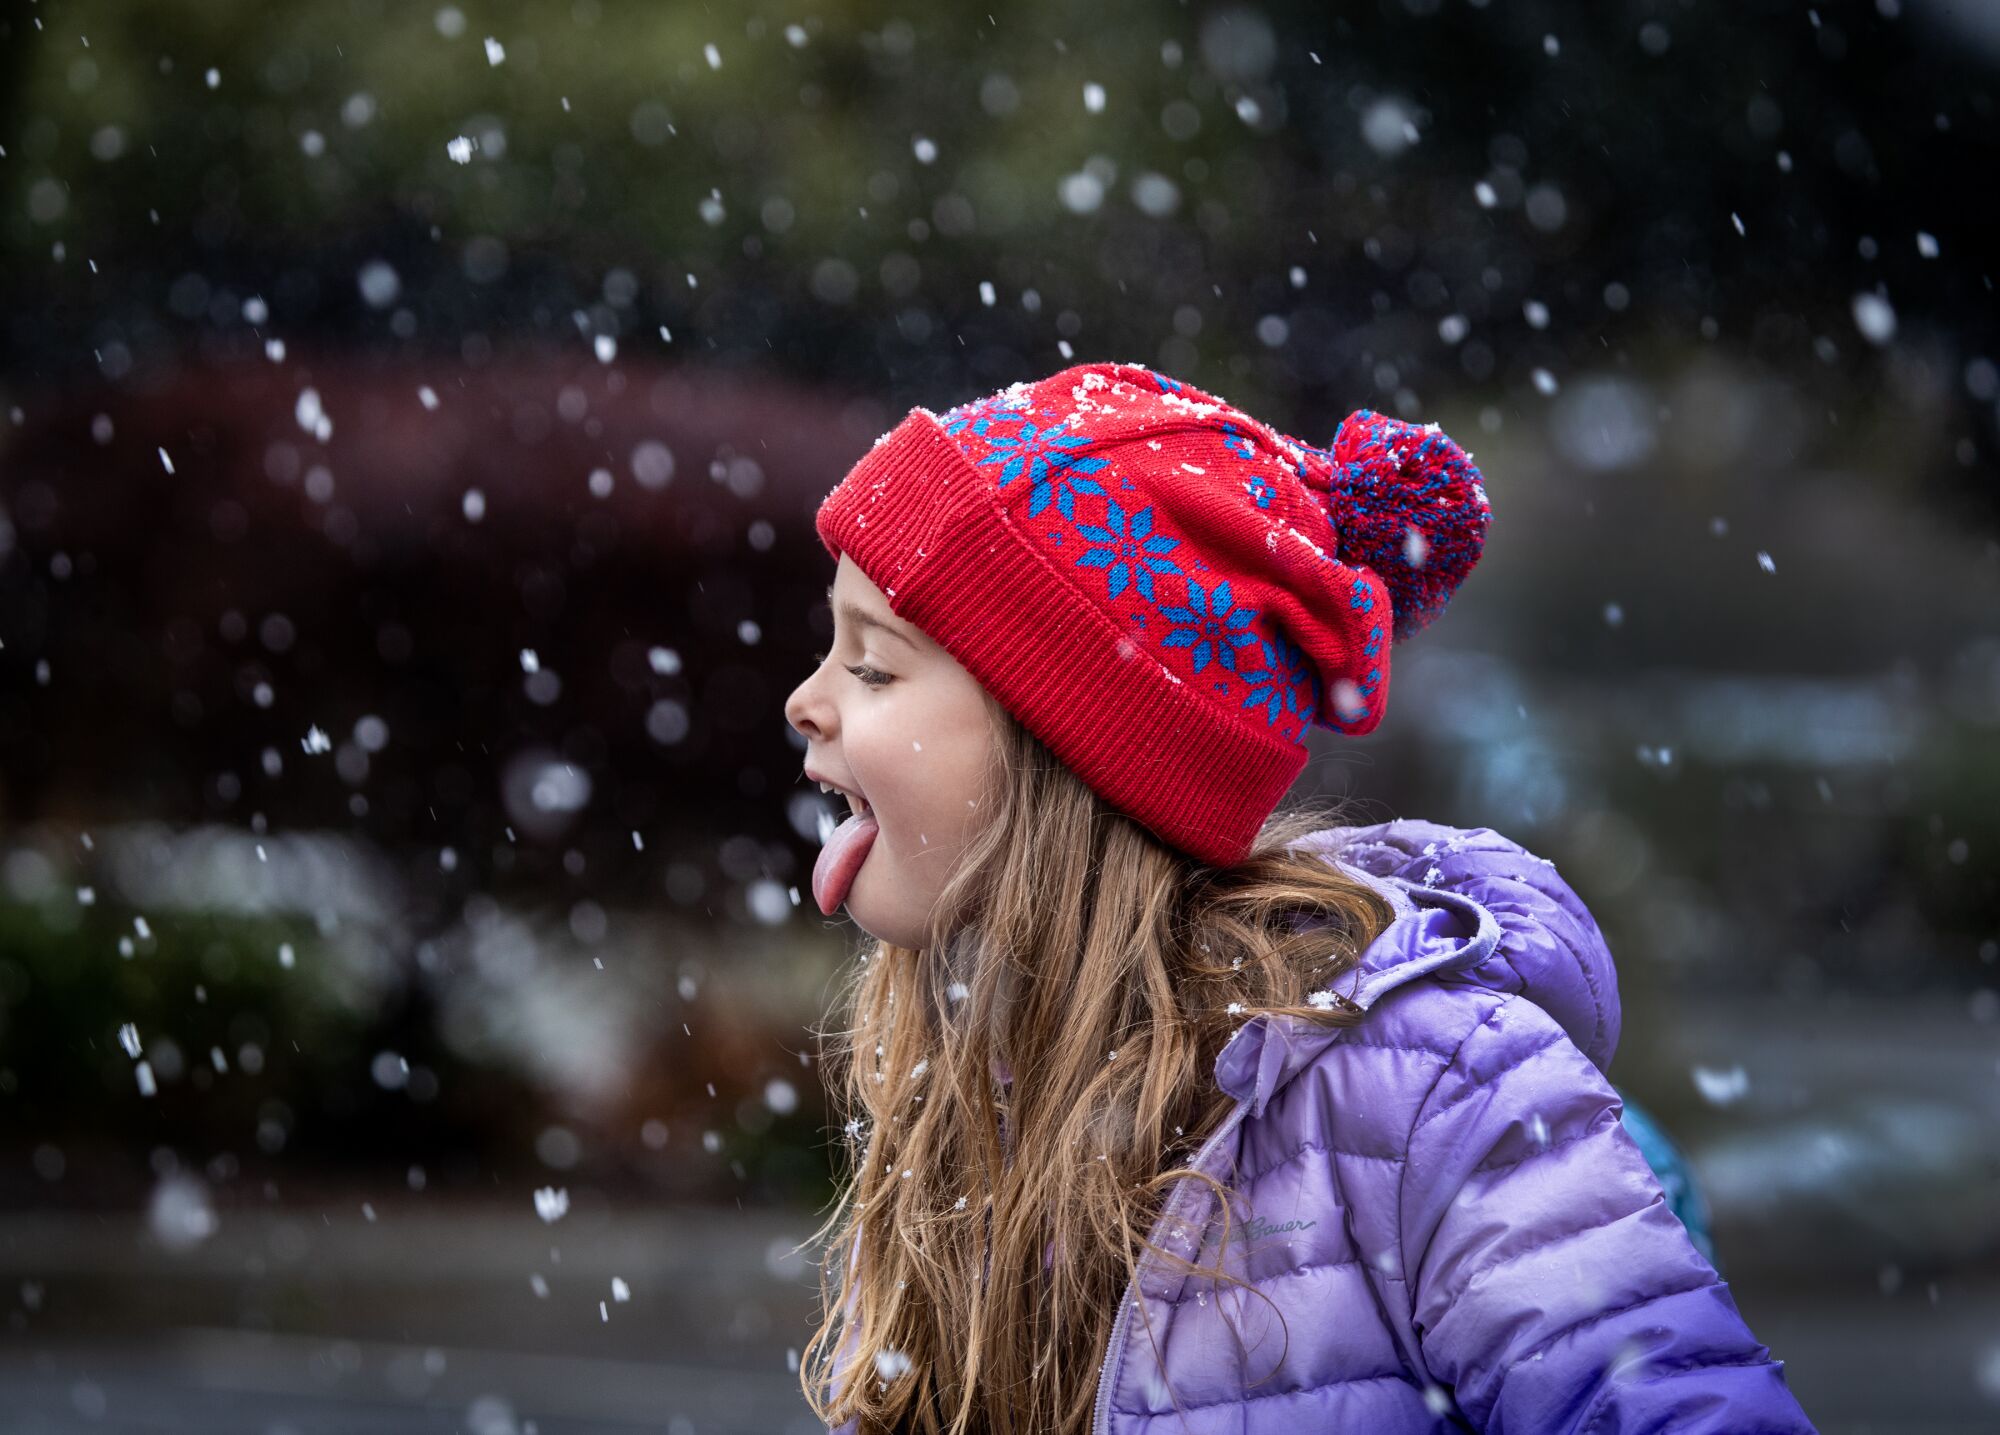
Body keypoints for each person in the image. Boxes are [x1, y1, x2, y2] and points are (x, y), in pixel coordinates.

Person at [782, 361, 1815, 1433]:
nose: (804, 701)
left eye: (873, 668)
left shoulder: (1431, 1096)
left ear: (1071, 751)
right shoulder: (977, 1084)